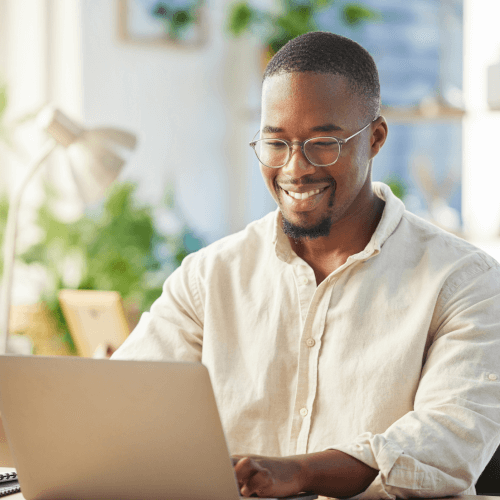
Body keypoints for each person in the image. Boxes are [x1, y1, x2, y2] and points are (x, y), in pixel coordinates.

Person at [111, 32, 500, 499]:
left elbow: (451, 440)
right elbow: (125, 414)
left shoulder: (465, 281)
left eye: (322, 143)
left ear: (375, 139)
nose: (295, 169)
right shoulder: (209, 277)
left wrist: (299, 473)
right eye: (276, 143)